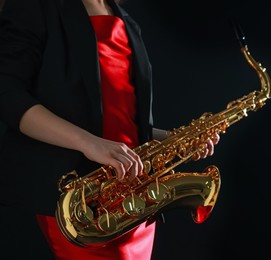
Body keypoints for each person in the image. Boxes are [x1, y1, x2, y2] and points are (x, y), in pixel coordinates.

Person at [0, 0, 219, 259]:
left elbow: (119, 118)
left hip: (134, 202)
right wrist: (88, 142)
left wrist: (174, 139)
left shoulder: (126, 20)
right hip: (83, 203)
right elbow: (8, 96)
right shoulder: (35, 7)